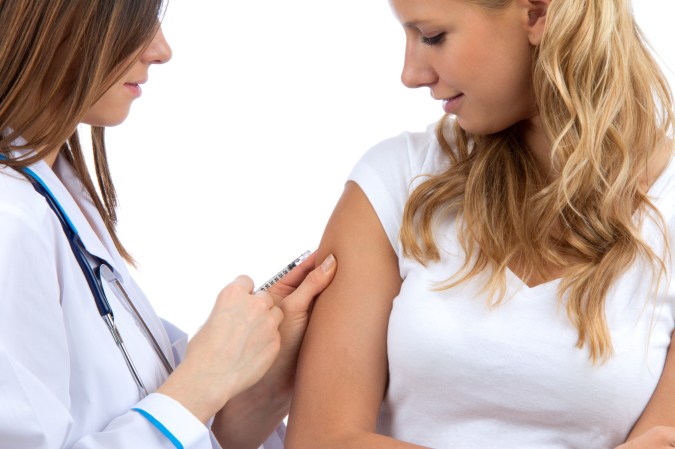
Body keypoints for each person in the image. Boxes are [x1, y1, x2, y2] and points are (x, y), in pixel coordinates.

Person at [285, 0, 675, 448]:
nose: (410, 74)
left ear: (537, 12)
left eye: (432, 36)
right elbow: (320, 441)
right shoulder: (395, 181)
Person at [0, 1, 336, 449]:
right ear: (52, 20)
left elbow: (140, 410)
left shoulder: (54, 191)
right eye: (131, 21)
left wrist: (255, 372)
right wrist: (206, 379)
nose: (161, 50)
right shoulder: (10, 218)